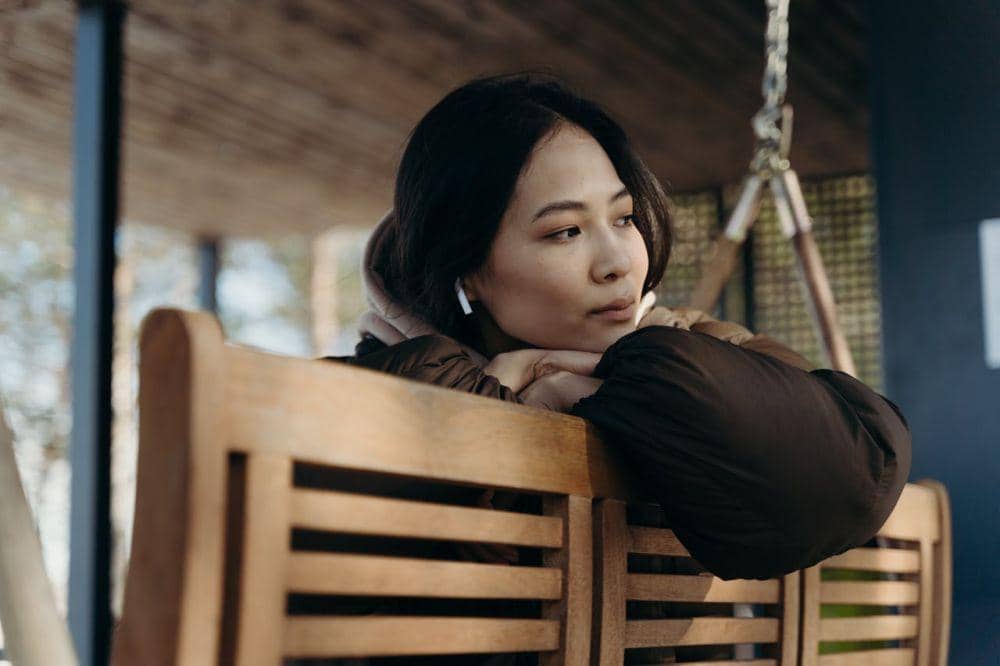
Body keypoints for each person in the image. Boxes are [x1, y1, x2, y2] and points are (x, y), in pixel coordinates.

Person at [323, 72, 911, 664]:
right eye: (565, 231)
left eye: (624, 218)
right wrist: (493, 406)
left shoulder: (698, 344)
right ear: (468, 269)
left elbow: (856, 472)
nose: (617, 263)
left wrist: (637, 380)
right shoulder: (370, 389)